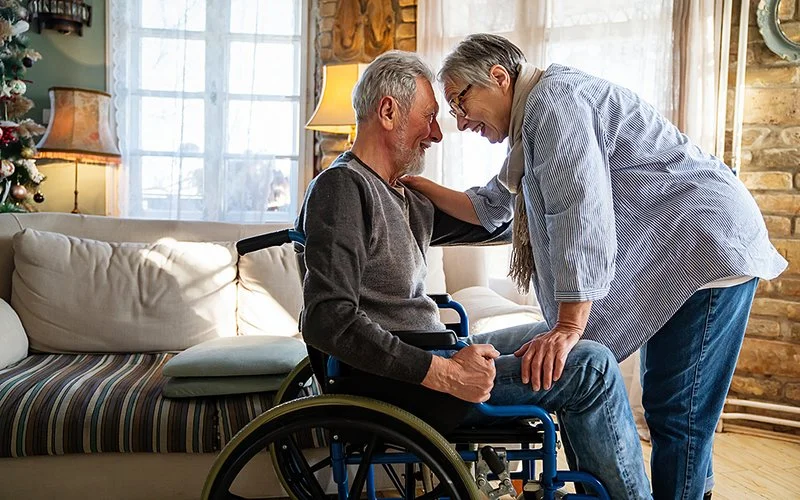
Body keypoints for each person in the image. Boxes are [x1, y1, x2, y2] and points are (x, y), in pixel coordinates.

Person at [402, 34, 788, 500]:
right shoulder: (532, 120)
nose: (460, 123)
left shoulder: (552, 104)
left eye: (460, 103)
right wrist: (412, 184)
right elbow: (490, 207)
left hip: (708, 244)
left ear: (499, 79)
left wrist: (569, 324)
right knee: (670, 403)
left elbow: (578, 212)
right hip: (685, 246)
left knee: (678, 413)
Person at [296, 50, 652, 499]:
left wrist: (544, 155)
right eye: (428, 118)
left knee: (570, 339)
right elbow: (329, 318)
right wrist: (443, 374)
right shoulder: (343, 189)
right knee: (593, 368)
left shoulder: (401, 196)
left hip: (437, 354)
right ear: (388, 112)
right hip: (410, 384)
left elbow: (496, 221)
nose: (437, 134)